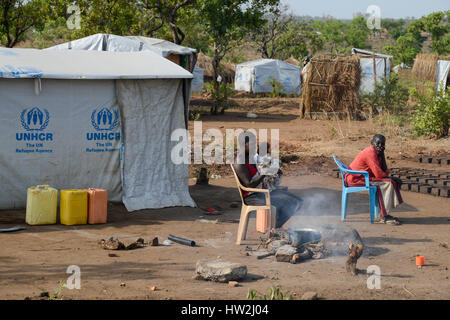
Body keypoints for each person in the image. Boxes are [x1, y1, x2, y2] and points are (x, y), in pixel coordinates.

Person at [233, 134, 303, 228]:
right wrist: (265, 172)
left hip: (263, 193)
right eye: (252, 144)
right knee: (292, 203)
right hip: (253, 197)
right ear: (243, 145)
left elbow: (262, 170)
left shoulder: (251, 158)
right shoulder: (239, 161)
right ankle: (274, 228)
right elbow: (249, 185)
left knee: (299, 201)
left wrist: (273, 171)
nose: (255, 147)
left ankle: (274, 227)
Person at [345, 134, 404, 225]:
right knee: (388, 183)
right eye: (378, 143)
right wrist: (392, 178)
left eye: (382, 144)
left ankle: (385, 214)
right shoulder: (370, 153)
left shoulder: (377, 152)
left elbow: (384, 170)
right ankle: (384, 216)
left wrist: (382, 154)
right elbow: (379, 174)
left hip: (362, 177)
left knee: (389, 181)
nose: (380, 146)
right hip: (355, 179)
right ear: (372, 143)